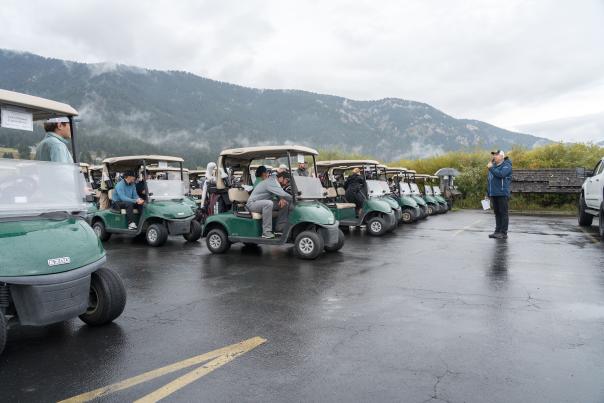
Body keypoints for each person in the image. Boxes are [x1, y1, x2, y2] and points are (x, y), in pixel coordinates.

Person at [247, 171, 293, 239]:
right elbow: (282, 193)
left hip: (261, 203)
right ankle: (266, 232)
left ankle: (279, 229)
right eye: (287, 180)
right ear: (281, 178)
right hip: (252, 204)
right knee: (268, 203)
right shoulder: (271, 182)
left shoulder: (275, 182)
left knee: (284, 204)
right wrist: (295, 198)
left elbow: (279, 192)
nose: (287, 183)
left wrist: (281, 198)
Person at [487, 150, 513, 239]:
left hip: (502, 193)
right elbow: (489, 180)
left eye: (496, 155)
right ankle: (497, 231)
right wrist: (488, 192)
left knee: (503, 213)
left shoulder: (507, 165)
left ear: (502, 156)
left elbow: (501, 174)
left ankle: (503, 233)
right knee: (497, 213)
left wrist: (491, 168)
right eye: (494, 155)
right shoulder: (493, 166)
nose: (494, 156)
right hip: (493, 193)